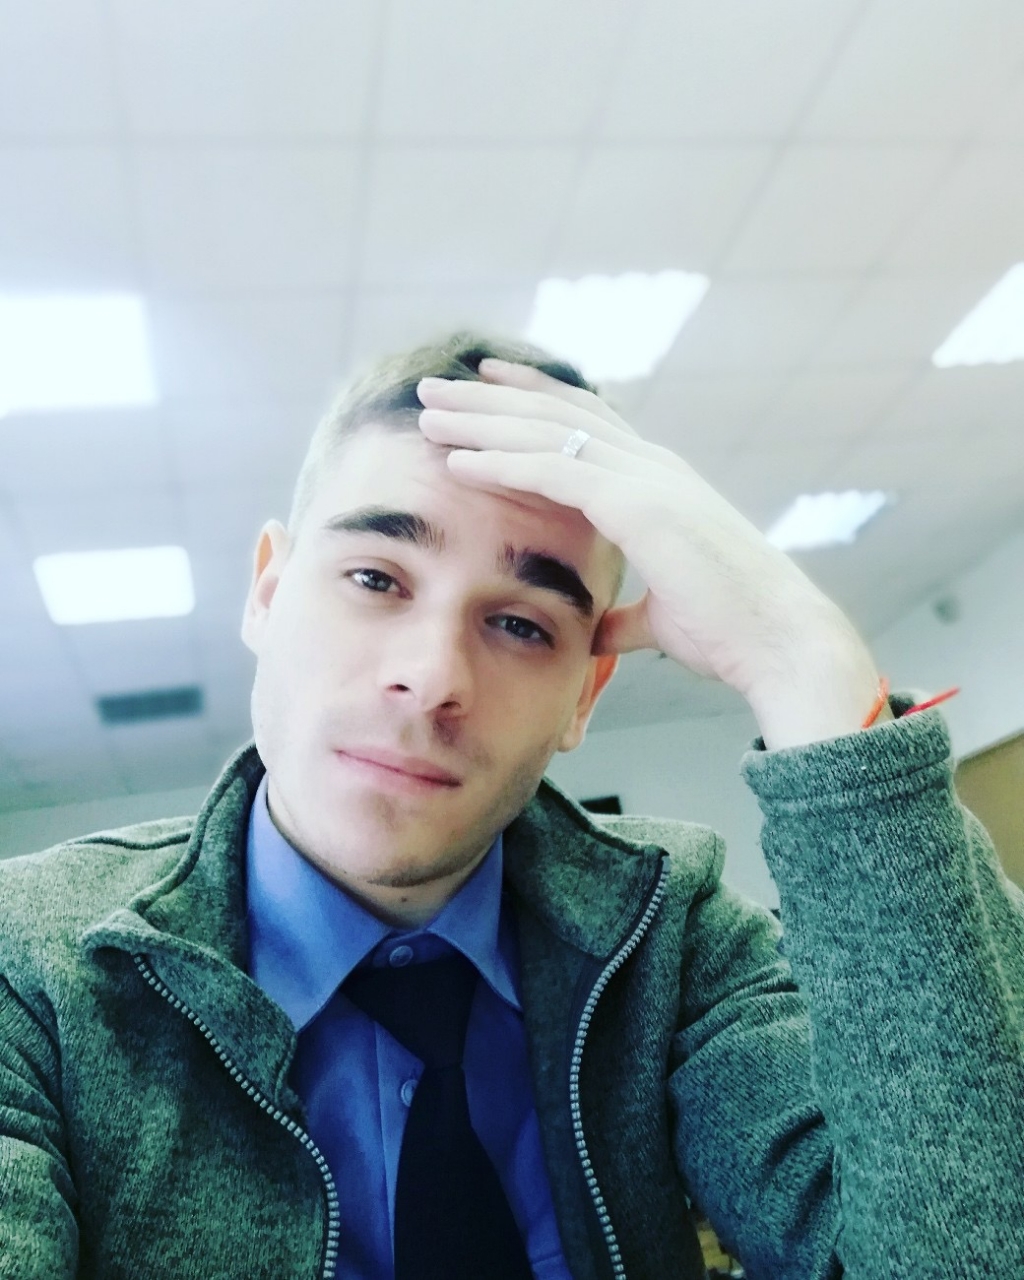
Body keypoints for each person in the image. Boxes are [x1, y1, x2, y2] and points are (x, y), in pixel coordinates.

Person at [1, 332, 1022, 1280]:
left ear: (584, 696)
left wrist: (804, 665)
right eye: (375, 576)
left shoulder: (678, 937)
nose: (433, 677)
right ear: (267, 593)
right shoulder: (31, 966)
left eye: (523, 625)